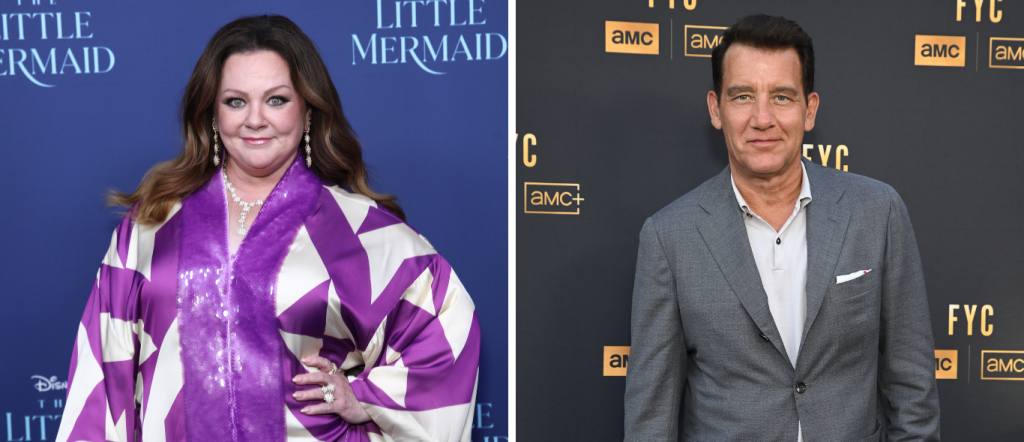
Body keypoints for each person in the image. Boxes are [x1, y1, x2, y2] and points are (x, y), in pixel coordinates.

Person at [55, 15, 480, 442]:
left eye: (276, 100)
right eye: (235, 101)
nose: (255, 119)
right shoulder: (151, 225)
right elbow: (102, 374)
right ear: (213, 113)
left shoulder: (357, 230)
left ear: (308, 110)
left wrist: (364, 398)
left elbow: (444, 330)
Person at [623, 14, 939, 441]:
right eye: (742, 96)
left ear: (809, 110)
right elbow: (651, 417)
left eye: (782, 97)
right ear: (716, 109)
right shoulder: (669, 237)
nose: (762, 118)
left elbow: (912, 387)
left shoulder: (877, 213)